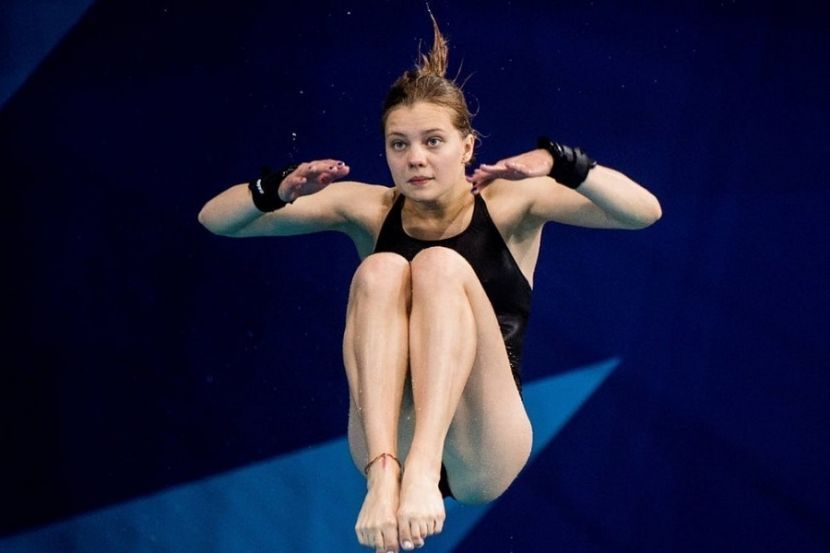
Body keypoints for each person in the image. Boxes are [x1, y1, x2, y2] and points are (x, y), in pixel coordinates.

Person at [198, 15, 661, 553]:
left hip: (483, 439)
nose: (415, 158)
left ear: (467, 147)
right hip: (388, 435)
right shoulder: (370, 209)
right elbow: (216, 220)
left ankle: (420, 470)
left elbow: (643, 212)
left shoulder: (511, 204)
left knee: (439, 265)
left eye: (433, 141)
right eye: (399, 144)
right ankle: (384, 477)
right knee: (380, 269)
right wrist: (277, 188)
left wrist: (563, 164)